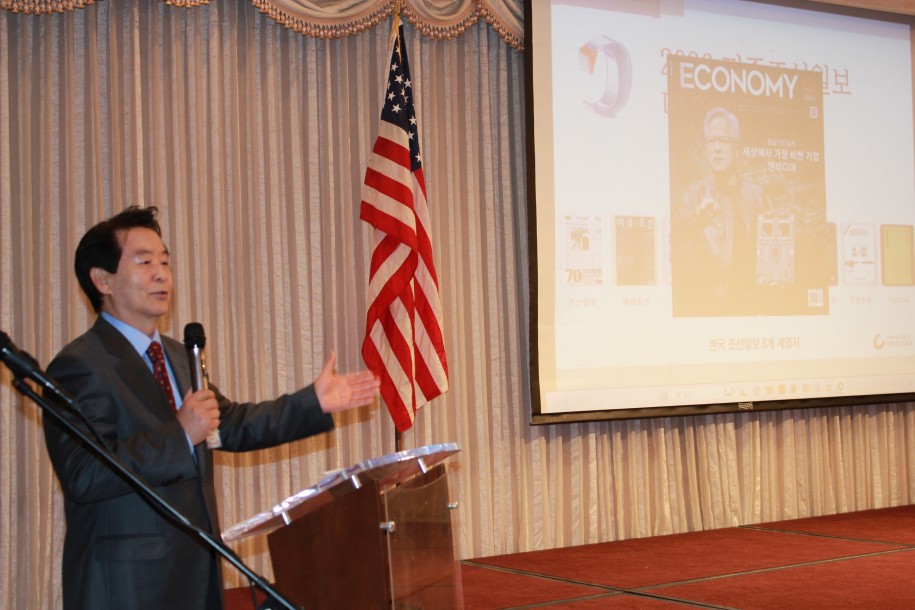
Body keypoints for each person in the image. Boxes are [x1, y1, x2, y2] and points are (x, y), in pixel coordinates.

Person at [42, 206, 381, 610]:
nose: (162, 274)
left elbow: (229, 425)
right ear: (103, 280)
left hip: (196, 575)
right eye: (145, 262)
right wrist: (180, 434)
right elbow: (85, 474)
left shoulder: (176, 355)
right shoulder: (79, 366)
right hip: (127, 587)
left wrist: (313, 401)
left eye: (165, 261)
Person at [672, 106, 765, 316]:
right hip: (712, 311)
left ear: (737, 150)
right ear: (705, 151)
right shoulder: (694, 194)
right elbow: (675, 232)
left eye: (723, 140)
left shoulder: (757, 196)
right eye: (711, 141)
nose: (717, 148)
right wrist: (697, 219)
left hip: (752, 311)